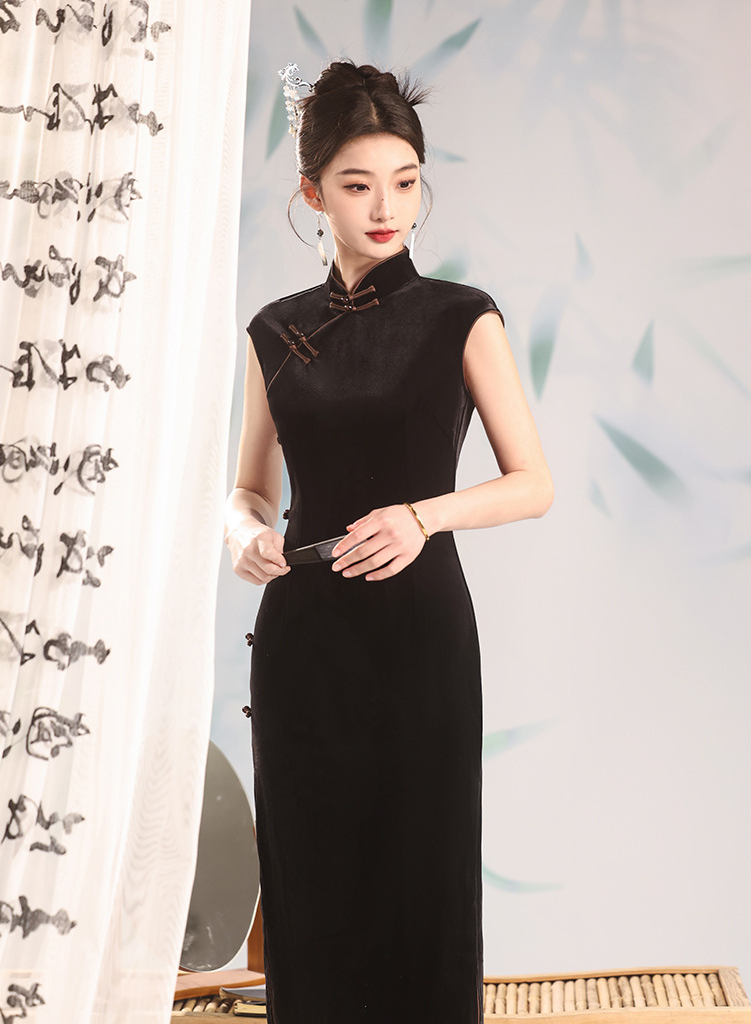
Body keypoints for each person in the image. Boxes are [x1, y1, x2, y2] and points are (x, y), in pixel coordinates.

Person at [224, 59, 553, 1024]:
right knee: (311, 887)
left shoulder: (461, 315)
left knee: (423, 884)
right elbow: (249, 487)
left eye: (405, 182)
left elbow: (533, 483)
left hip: (419, 639)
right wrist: (241, 532)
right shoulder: (274, 331)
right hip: (302, 644)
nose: (385, 208)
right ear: (312, 192)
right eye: (358, 185)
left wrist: (424, 515)